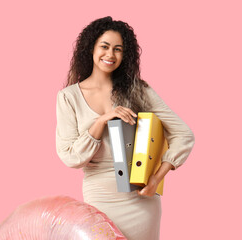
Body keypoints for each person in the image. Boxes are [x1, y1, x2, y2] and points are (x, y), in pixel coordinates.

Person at [56, 16, 195, 240]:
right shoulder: (68, 97)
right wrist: (102, 121)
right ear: (90, 48)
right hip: (99, 197)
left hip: (140, 199)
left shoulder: (137, 90)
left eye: (118, 49)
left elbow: (183, 134)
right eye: (104, 46)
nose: (110, 55)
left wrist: (156, 179)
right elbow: (71, 157)